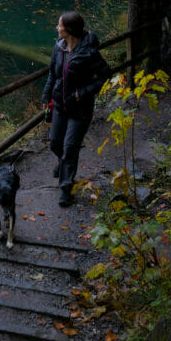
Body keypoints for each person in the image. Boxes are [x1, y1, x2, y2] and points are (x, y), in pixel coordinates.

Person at [41, 11, 112, 207]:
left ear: (69, 29)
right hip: (60, 105)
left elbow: (106, 76)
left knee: (70, 148)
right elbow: (52, 74)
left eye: (60, 25)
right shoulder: (59, 47)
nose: (57, 28)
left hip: (80, 109)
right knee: (55, 143)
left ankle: (65, 189)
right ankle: (63, 163)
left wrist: (84, 92)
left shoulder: (89, 52)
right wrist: (46, 97)